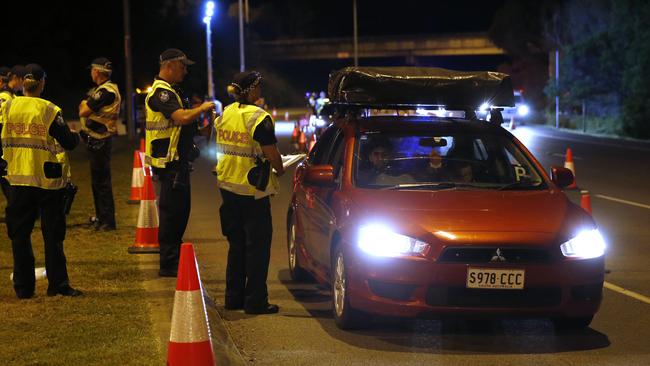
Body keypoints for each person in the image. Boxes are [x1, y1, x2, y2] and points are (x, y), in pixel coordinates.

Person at [1, 64, 82, 298]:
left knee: (19, 235)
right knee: (53, 235)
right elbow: (68, 142)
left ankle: (24, 288)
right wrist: (77, 136)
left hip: (16, 179)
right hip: (47, 182)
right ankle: (58, 285)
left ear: (23, 84)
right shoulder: (48, 109)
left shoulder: (7, 107)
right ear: (42, 83)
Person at [216, 70, 284, 314]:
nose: (260, 90)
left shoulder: (226, 113)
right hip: (251, 191)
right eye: (258, 86)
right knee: (257, 247)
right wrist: (280, 168)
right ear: (251, 90)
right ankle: (255, 301)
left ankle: (233, 298)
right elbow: (271, 153)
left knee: (236, 245)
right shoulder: (259, 117)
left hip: (227, 186)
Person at [144, 49, 215, 277]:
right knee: (171, 213)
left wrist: (206, 128)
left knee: (180, 212)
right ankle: (169, 263)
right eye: (182, 66)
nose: (185, 71)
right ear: (170, 65)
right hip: (170, 162)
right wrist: (201, 108)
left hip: (179, 161)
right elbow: (181, 117)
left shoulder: (174, 91)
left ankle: (173, 258)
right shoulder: (161, 93)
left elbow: (184, 128)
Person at [78, 57, 121, 231]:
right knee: (97, 183)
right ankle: (102, 217)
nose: (90, 73)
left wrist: (84, 103)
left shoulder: (105, 92)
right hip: (97, 140)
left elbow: (83, 110)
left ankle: (107, 221)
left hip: (100, 141)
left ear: (96, 72)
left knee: (101, 183)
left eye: (91, 70)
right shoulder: (104, 90)